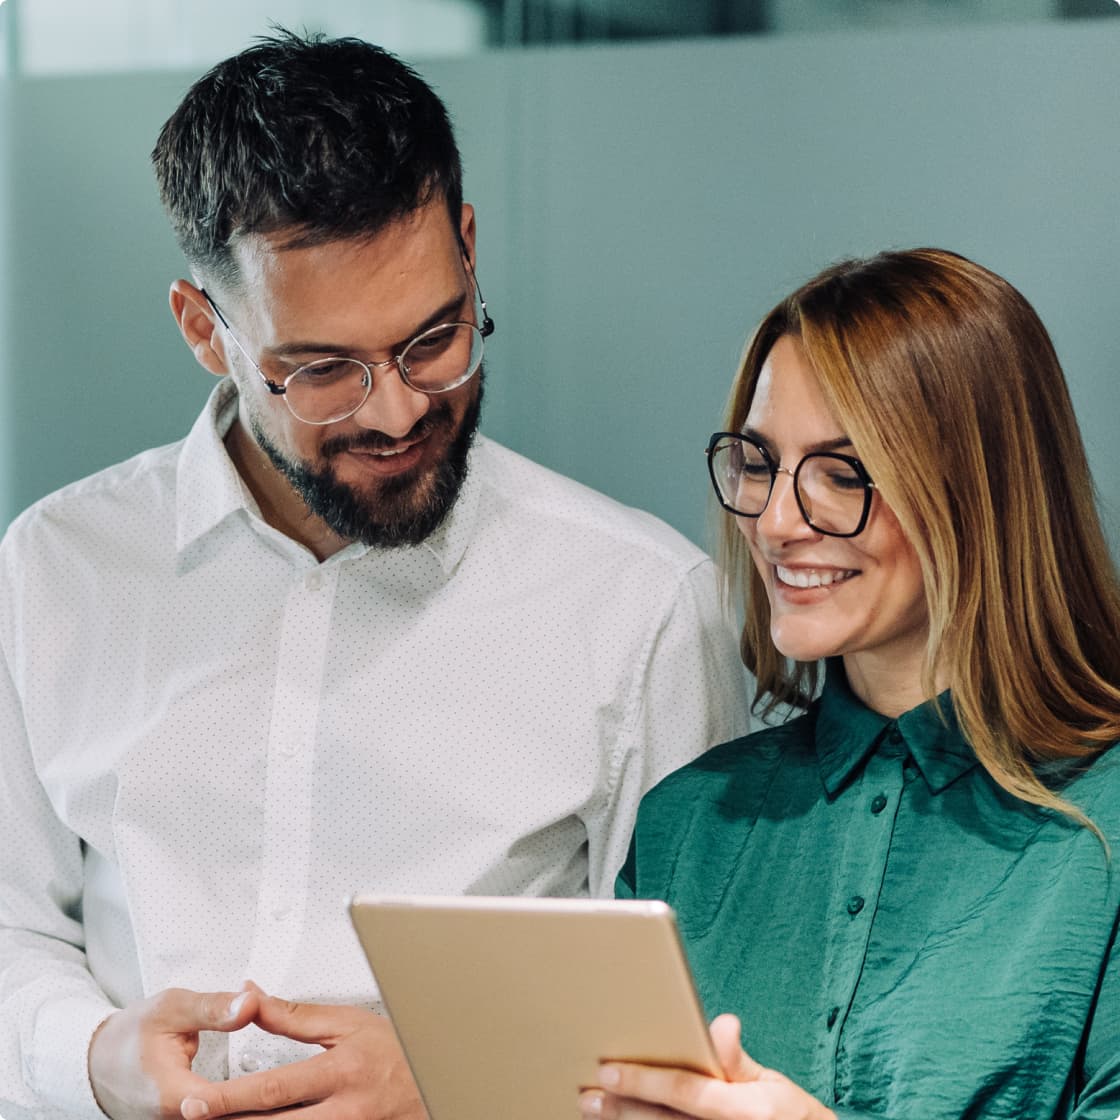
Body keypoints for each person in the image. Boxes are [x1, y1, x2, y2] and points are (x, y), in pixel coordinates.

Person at [0, 30, 749, 1120]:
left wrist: (460, 1075)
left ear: (470, 248)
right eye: (321, 371)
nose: (396, 411)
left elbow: (704, 1025)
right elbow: (12, 927)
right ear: (205, 331)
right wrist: (97, 1056)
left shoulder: (638, 604)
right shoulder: (54, 572)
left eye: (433, 339)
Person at [580, 248, 1120, 1120]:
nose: (781, 522)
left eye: (844, 473)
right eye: (758, 463)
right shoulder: (687, 825)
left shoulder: (1107, 826)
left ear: (979, 488)